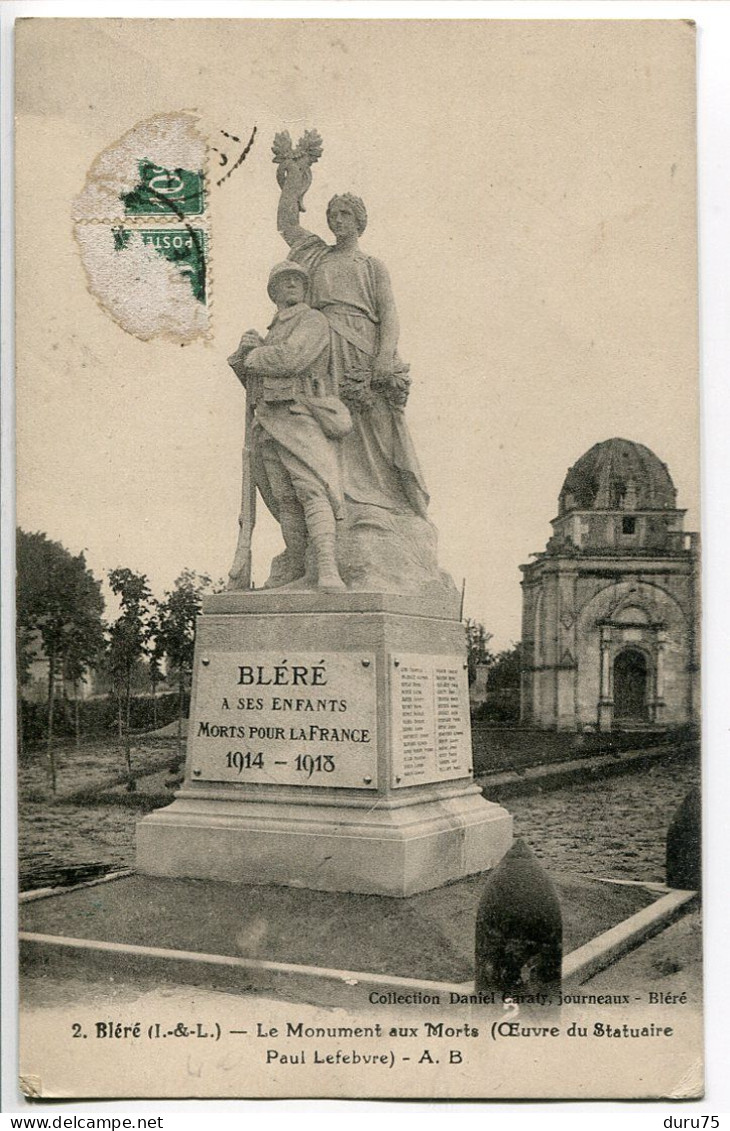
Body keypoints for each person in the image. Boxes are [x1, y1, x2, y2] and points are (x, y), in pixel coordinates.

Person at [276, 166, 429, 520]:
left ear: (360, 221)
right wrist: (294, 185)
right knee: (333, 425)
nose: (337, 220)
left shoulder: (372, 265)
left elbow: (389, 313)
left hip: (363, 348)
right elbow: (287, 225)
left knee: (377, 428)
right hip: (322, 350)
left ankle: (387, 501)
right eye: (332, 215)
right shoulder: (317, 255)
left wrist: (384, 357)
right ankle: (342, 502)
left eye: (345, 214)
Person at [228, 260, 352, 590]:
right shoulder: (271, 331)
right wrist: (243, 354)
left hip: (300, 416)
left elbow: (292, 359)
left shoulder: (313, 320)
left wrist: (256, 357)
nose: (292, 284)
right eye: (285, 281)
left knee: (312, 489)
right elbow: (253, 381)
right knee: (284, 499)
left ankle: (326, 567)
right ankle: (298, 564)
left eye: (297, 280)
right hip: (267, 422)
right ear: (274, 291)